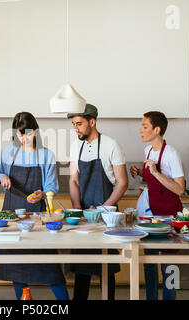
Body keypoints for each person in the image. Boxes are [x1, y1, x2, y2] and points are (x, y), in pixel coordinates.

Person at [0, 112, 69, 300]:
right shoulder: (9, 152)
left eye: (28, 134)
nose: (24, 139)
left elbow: (51, 185)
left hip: (37, 218)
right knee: (16, 267)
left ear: (36, 132)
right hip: (13, 217)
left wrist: (43, 194)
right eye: (20, 135)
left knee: (50, 267)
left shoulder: (46, 154)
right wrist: (1, 176)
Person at [68, 104, 128, 300]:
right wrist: (78, 208)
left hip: (106, 216)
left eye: (79, 123)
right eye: (73, 124)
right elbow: (74, 179)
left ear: (92, 122)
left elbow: (122, 183)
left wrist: (102, 208)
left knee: (106, 267)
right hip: (84, 216)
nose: (75, 128)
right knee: (81, 267)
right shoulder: (77, 145)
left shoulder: (111, 145)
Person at [130, 111, 184, 300]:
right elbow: (153, 180)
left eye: (145, 126)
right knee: (149, 261)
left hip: (169, 215)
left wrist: (155, 172)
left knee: (170, 265)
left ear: (157, 129)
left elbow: (180, 189)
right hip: (150, 215)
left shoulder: (171, 154)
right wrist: (141, 173)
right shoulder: (148, 151)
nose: (140, 131)